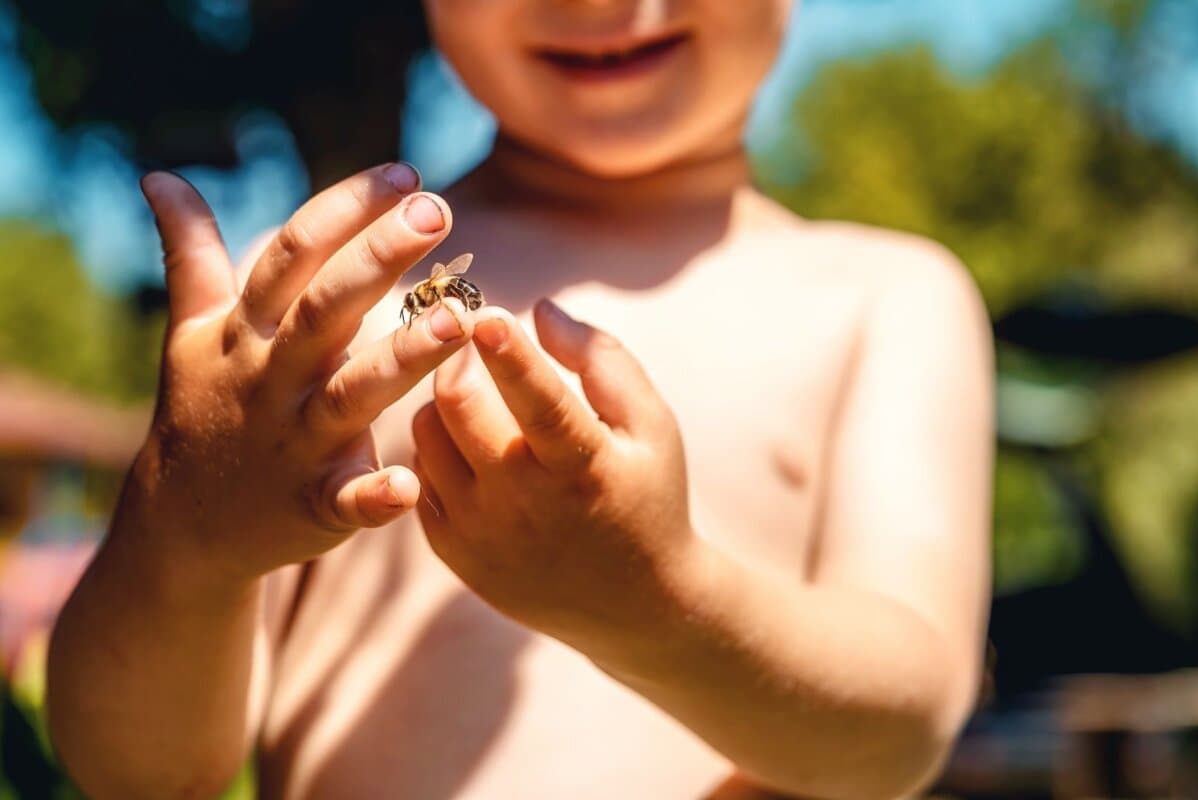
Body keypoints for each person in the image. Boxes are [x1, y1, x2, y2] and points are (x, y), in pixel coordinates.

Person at [45, 1, 994, 798]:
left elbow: (901, 734)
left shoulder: (886, 297)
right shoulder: (310, 307)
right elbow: (141, 777)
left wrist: (658, 607)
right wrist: (186, 542)